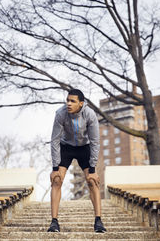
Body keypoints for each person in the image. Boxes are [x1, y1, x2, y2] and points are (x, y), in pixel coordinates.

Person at [47, 89, 107, 233]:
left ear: (81, 103)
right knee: (56, 180)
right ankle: (54, 222)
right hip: (66, 147)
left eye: (72, 101)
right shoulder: (60, 114)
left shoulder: (90, 114)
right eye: (67, 100)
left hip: (84, 148)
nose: (68, 103)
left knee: (92, 181)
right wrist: (55, 167)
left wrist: (92, 170)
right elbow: (54, 141)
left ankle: (98, 221)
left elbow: (95, 142)